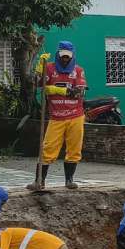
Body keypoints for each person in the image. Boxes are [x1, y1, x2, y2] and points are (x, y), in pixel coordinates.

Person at [30, 41, 86, 191]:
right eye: (62, 56)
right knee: (48, 148)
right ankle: (39, 181)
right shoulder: (49, 68)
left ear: (72, 56)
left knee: (74, 149)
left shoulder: (78, 71)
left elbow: (79, 93)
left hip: (75, 115)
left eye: (68, 57)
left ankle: (69, 180)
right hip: (56, 116)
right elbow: (37, 85)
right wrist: (39, 70)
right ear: (58, 54)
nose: (65, 59)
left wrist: (55, 89)